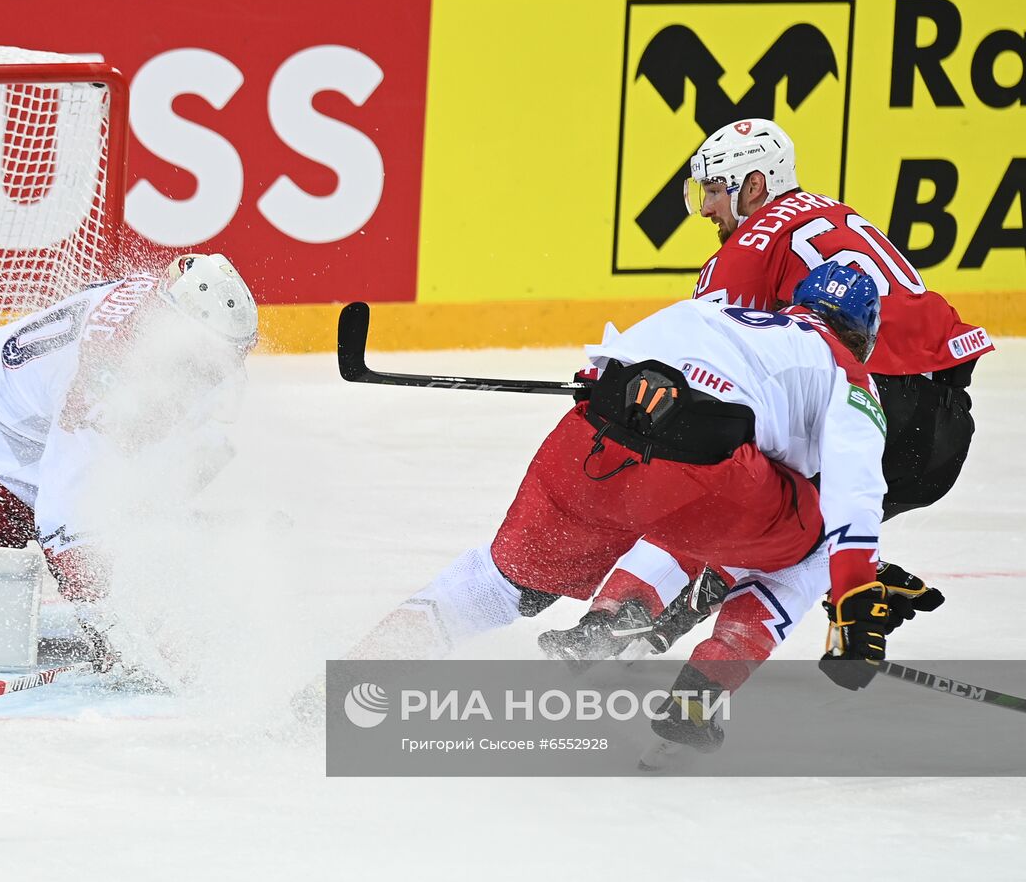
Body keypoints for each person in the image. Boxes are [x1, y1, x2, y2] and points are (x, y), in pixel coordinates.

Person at [348, 264, 922, 737]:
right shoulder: (850, 376)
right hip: (711, 483)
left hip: (593, 443)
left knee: (499, 582)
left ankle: (355, 678)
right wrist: (853, 594)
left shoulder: (708, 310)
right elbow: (857, 495)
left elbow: (601, 369)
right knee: (817, 538)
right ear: (862, 337)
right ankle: (700, 695)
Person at [557, 118, 986, 661]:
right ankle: (849, 576)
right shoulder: (827, 211)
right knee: (790, 523)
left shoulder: (747, 248)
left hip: (874, 397)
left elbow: (700, 359)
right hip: (943, 428)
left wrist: (614, 385)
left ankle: (620, 622)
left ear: (754, 186)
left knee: (722, 486)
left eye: (714, 191)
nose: (707, 208)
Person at [0, 253, 259, 610]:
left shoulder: (157, 314)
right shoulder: (105, 382)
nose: (220, 372)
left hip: (42, 434)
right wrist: (99, 614)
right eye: (214, 358)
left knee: (192, 461)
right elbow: (62, 508)